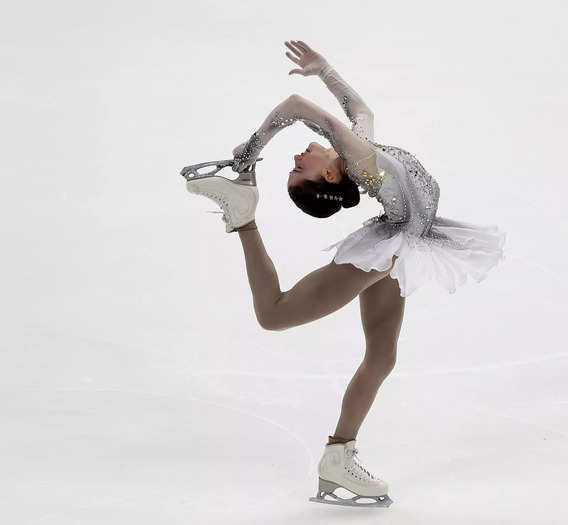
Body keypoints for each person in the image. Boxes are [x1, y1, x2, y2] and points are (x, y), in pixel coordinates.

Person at [182, 40, 506, 507]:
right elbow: (296, 107)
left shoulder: (360, 150)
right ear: (332, 176)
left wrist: (324, 70)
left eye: (294, 167)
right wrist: (249, 154)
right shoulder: (356, 158)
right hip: (391, 249)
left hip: (402, 243)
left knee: (382, 357)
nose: (295, 161)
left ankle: (339, 456)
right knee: (274, 314)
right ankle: (243, 216)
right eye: (299, 170)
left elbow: (360, 108)